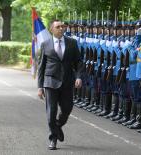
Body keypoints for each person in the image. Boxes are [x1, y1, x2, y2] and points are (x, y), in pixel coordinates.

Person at [37, 19, 83, 150]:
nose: (61, 28)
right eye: (58, 27)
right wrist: (40, 87)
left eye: (63, 26)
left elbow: (79, 62)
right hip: (50, 82)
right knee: (51, 113)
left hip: (67, 82)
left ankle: (57, 126)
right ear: (52, 29)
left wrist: (79, 77)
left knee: (67, 109)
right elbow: (42, 66)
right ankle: (53, 139)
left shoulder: (72, 43)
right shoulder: (45, 44)